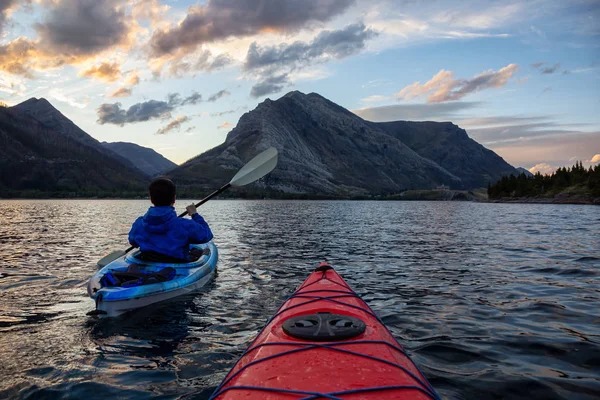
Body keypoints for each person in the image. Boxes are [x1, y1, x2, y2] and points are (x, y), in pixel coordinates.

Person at [128, 177, 213, 262]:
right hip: (176, 267)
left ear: (151, 199)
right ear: (174, 199)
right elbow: (207, 235)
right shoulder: (184, 225)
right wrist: (194, 214)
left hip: (148, 263)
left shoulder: (139, 223)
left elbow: (133, 242)